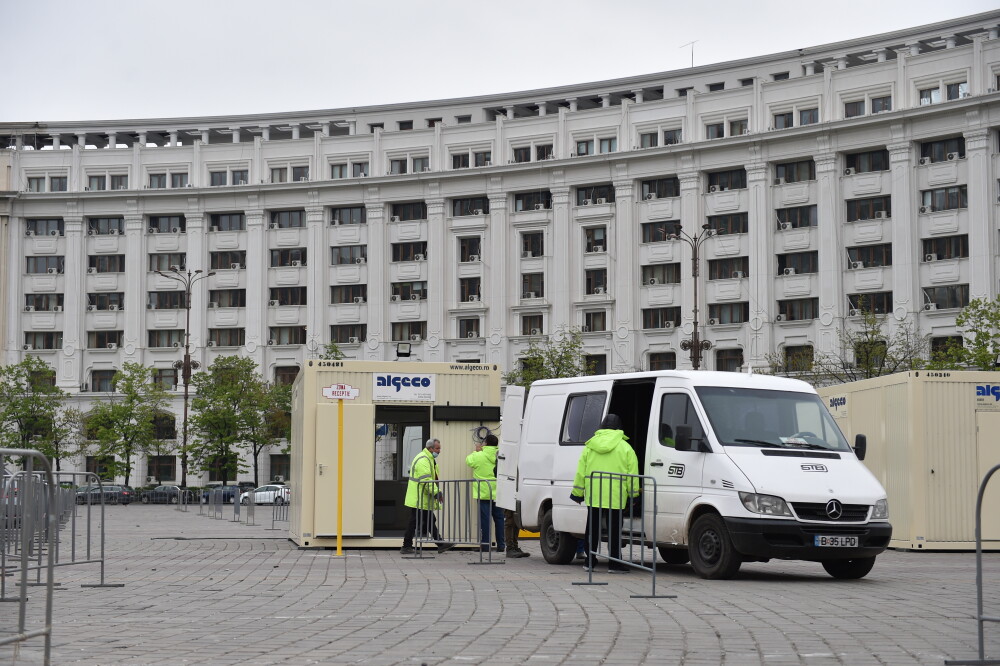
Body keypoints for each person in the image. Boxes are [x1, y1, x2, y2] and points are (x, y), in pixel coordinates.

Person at [570, 413, 639, 573]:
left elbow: (581, 471)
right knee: (614, 531)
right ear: (619, 428)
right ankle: (614, 563)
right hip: (616, 497)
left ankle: (590, 561)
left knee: (592, 530)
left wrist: (577, 493)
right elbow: (632, 474)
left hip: (594, 495)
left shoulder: (590, 446)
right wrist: (634, 495)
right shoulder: (625, 447)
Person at [400, 438, 454, 555]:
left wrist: (435, 492)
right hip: (419, 498)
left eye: (440, 448)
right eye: (437, 448)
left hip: (421, 497)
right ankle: (407, 546)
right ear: (430, 448)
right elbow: (426, 480)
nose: (439, 451)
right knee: (415, 521)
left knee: (429, 520)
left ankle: (440, 544)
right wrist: (436, 492)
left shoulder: (428, 459)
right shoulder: (423, 460)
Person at [466, 434, 505, 554]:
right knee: (499, 519)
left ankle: (485, 546)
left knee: (485, 520)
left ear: (486, 443)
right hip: (498, 493)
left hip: (483, 493)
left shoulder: (479, 455)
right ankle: (501, 545)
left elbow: (468, 461)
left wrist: (476, 451)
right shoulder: (500, 455)